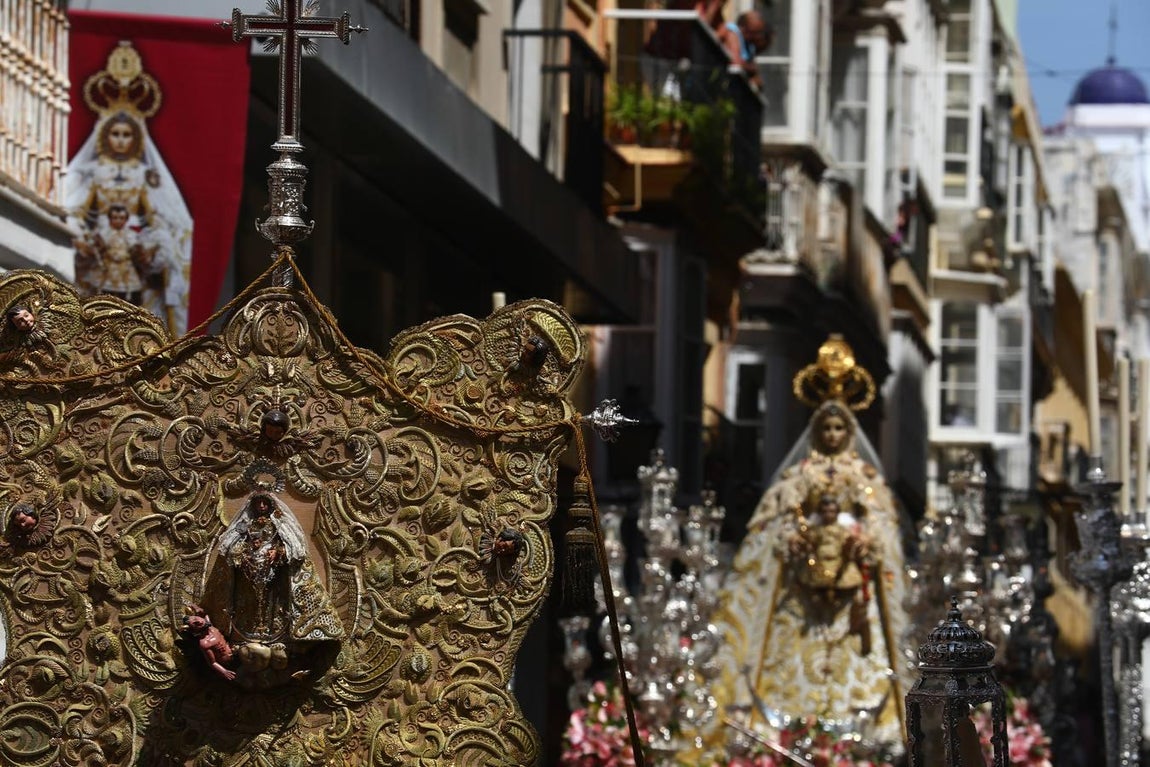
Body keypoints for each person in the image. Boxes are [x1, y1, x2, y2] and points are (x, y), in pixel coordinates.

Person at [698, 340, 913, 752]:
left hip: (854, 598)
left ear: (849, 433)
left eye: (839, 429)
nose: (832, 436)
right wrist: (793, 541)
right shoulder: (798, 477)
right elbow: (770, 527)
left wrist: (866, 542)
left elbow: (885, 526)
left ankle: (876, 732)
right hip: (800, 595)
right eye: (826, 429)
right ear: (816, 432)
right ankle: (776, 727)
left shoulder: (865, 477)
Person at [66, 42, 192, 336]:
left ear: (135, 138)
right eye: (115, 134)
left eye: (125, 134)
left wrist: (152, 246)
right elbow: (79, 210)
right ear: (105, 136)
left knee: (130, 317)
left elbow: (155, 216)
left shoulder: (142, 176)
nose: (120, 140)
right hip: (102, 258)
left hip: (132, 264)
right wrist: (83, 238)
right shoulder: (95, 173)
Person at [202, 492, 344, 687]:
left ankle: (278, 642)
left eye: (264, 502)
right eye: (258, 502)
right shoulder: (246, 525)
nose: (261, 506)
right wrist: (243, 555)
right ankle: (245, 639)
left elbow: (293, 548)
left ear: (270, 504)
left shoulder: (279, 524)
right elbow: (232, 546)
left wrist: (277, 552)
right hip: (248, 576)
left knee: (274, 607)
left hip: (274, 578)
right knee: (248, 606)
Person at [720, 10, 772, 86]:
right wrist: (751, 67)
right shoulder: (733, 32)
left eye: (760, 33)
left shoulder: (749, 45)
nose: (757, 36)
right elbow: (736, 63)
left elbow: (756, 79)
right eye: (755, 32)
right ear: (744, 29)